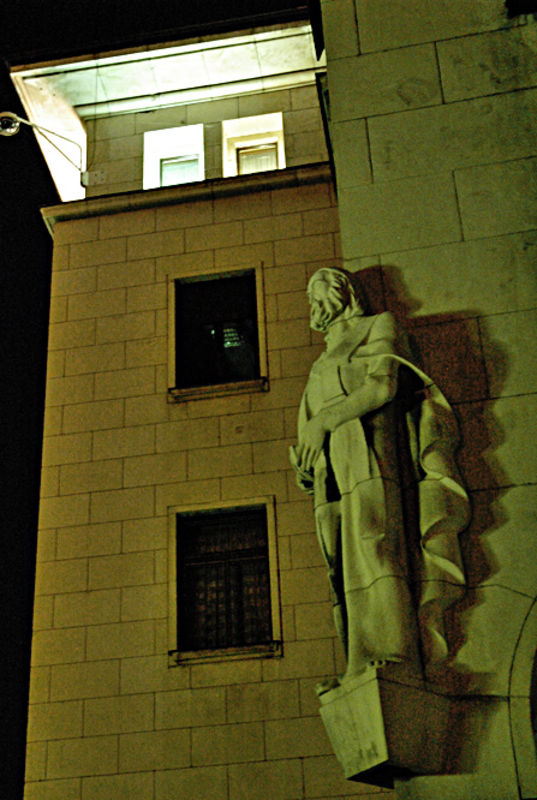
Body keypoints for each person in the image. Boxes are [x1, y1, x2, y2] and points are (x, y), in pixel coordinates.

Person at [290, 267, 470, 684]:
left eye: (319, 291)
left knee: (376, 543)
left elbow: (382, 387)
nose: (313, 302)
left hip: (372, 450)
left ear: (344, 292)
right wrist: (305, 460)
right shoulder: (320, 362)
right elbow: (310, 425)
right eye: (310, 296)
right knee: (342, 564)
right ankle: (360, 661)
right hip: (333, 467)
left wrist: (324, 422)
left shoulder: (378, 325)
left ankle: (397, 652)